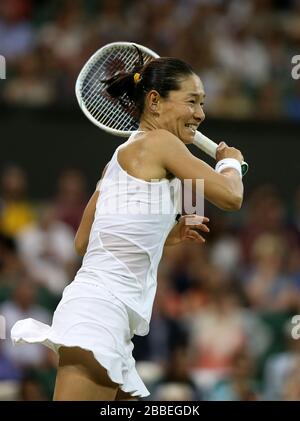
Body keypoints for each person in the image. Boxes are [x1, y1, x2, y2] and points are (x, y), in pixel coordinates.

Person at [11, 51, 244, 401]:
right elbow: (230, 197)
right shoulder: (162, 143)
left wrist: (168, 234)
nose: (200, 113)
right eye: (192, 101)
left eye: (202, 103)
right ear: (154, 101)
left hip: (110, 318)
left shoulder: (118, 161)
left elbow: (84, 242)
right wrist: (230, 165)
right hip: (98, 314)